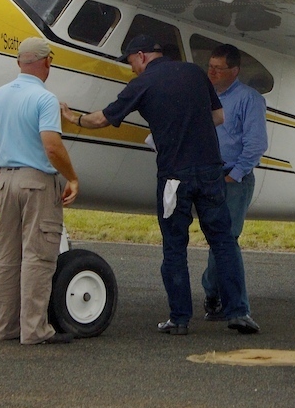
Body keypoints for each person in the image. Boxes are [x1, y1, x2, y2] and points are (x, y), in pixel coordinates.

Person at [73, 34, 259, 336]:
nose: (132, 68)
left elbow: (101, 120)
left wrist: (74, 118)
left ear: (143, 56)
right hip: (211, 170)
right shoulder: (195, 72)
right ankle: (239, 311)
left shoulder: (143, 84)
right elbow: (218, 116)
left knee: (175, 247)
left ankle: (180, 318)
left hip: (175, 176)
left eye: (132, 61)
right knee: (223, 242)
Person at [0, 36, 79, 346]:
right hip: (36, 180)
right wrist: (72, 177)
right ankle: (34, 329)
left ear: (19, 62)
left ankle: (4, 326)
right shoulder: (45, 99)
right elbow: (51, 145)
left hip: (6, 179)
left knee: (7, 257)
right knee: (38, 256)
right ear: (46, 62)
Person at [200, 44, 269, 322]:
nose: (212, 73)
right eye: (210, 67)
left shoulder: (249, 99)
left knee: (226, 239)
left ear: (235, 71)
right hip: (208, 176)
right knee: (217, 238)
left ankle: (219, 297)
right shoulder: (204, 96)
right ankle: (214, 294)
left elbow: (256, 144)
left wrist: (235, 174)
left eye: (219, 69)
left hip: (232, 178)